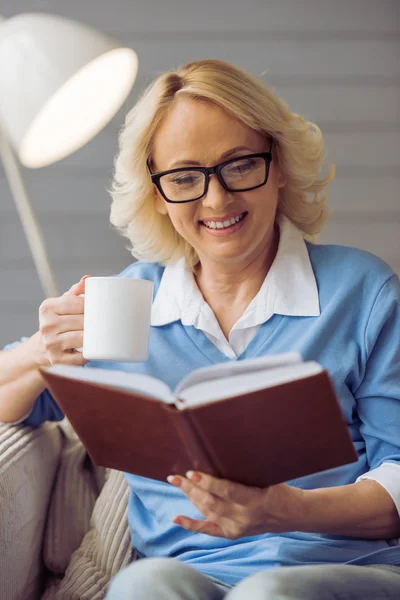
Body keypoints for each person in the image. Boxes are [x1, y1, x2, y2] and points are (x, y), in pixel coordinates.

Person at [1, 59, 400, 600]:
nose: (216, 200)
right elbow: (12, 404)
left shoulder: (362, 291)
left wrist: (284, 511)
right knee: (143, 585)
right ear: (159, 194)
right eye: (185, 178)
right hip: (188, 573)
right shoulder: (126, 302)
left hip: (342, 568)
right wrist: (38, 354)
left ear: (278, 164)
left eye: (239, 165)